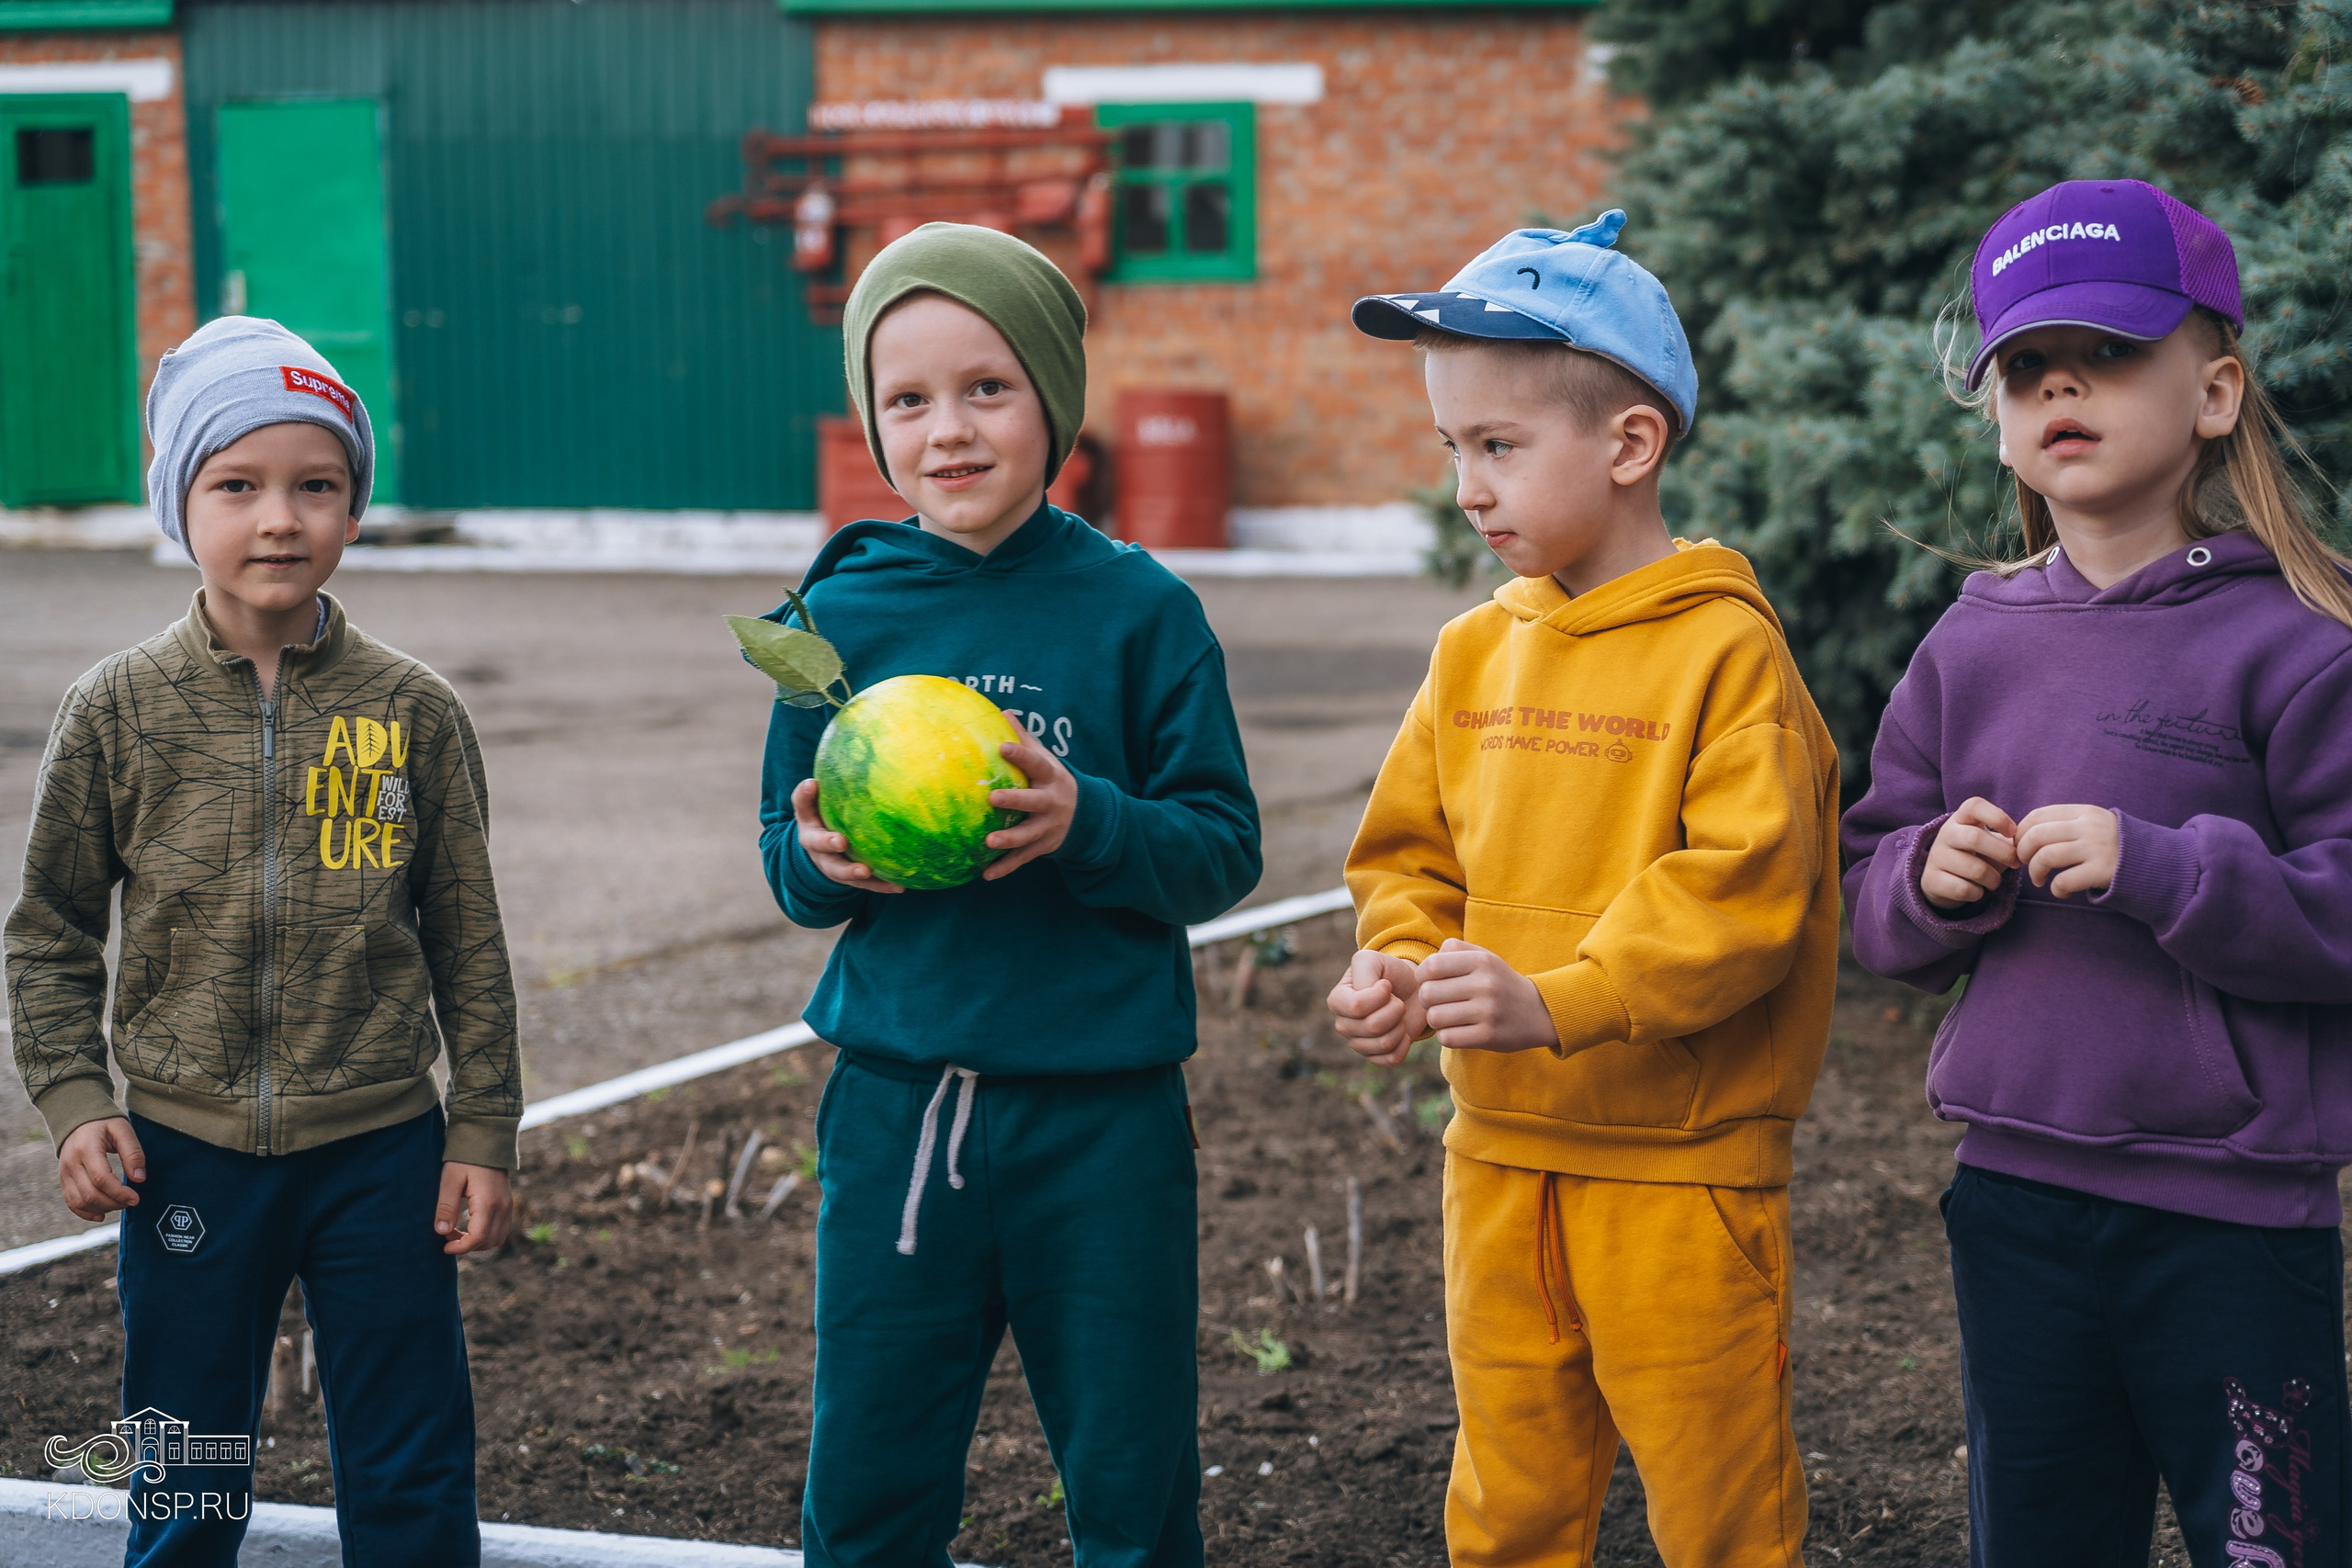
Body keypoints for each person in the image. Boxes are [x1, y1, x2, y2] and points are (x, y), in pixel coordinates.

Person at [1842, 179, 2352, 1567]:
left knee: (2275, 1542)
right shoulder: (1974, 640)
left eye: (2114, 351)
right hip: (2012, 1198)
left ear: (2216, 392)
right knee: (2043, 1540)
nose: (2062, 381)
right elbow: (1867, 890)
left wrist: (2169, 869)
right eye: (2024, 364)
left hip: (2234, 1214)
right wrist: (1925, 881)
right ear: (2001, 414)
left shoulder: (2302, 645)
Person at [1329, 212, 1842, 1567]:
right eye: (1452, 450)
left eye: (1497, 447)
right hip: (1497, 1156)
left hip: (1684, 1173)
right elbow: (1410, 858)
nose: (1466, 489)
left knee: (1719, 1505)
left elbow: (1744, 898)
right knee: (1508, 1502)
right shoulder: (1469, 654)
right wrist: (1396, 959)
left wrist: (1558, 1001)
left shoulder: (1725, 656)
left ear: (1630, 446)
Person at [757, 222, 1261, 1568]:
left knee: (1131, 1479)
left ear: (1055, 399)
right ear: (873, 422)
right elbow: (778, 844)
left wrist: (1084, 821)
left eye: (989, 388)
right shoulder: (836, 618)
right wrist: (815, 863)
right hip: (897, 1110)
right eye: (906, 400)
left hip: (1103, 1123)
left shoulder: (1138, 611)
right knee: (870, 1477)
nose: (948, 431)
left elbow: (1220, 847)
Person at [5, 317, 520, 1567]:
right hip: (183, 1158)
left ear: (354, 507)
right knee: (185, 1464)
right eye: (236, 485)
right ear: (180, 504)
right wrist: (77, 1103)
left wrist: (483, 1129)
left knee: (409, 1456)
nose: (279, 519)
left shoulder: (415, 712)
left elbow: (467, 939)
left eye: (316, 485)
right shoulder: (116, 711)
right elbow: (50, 933)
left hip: (383, 1156)